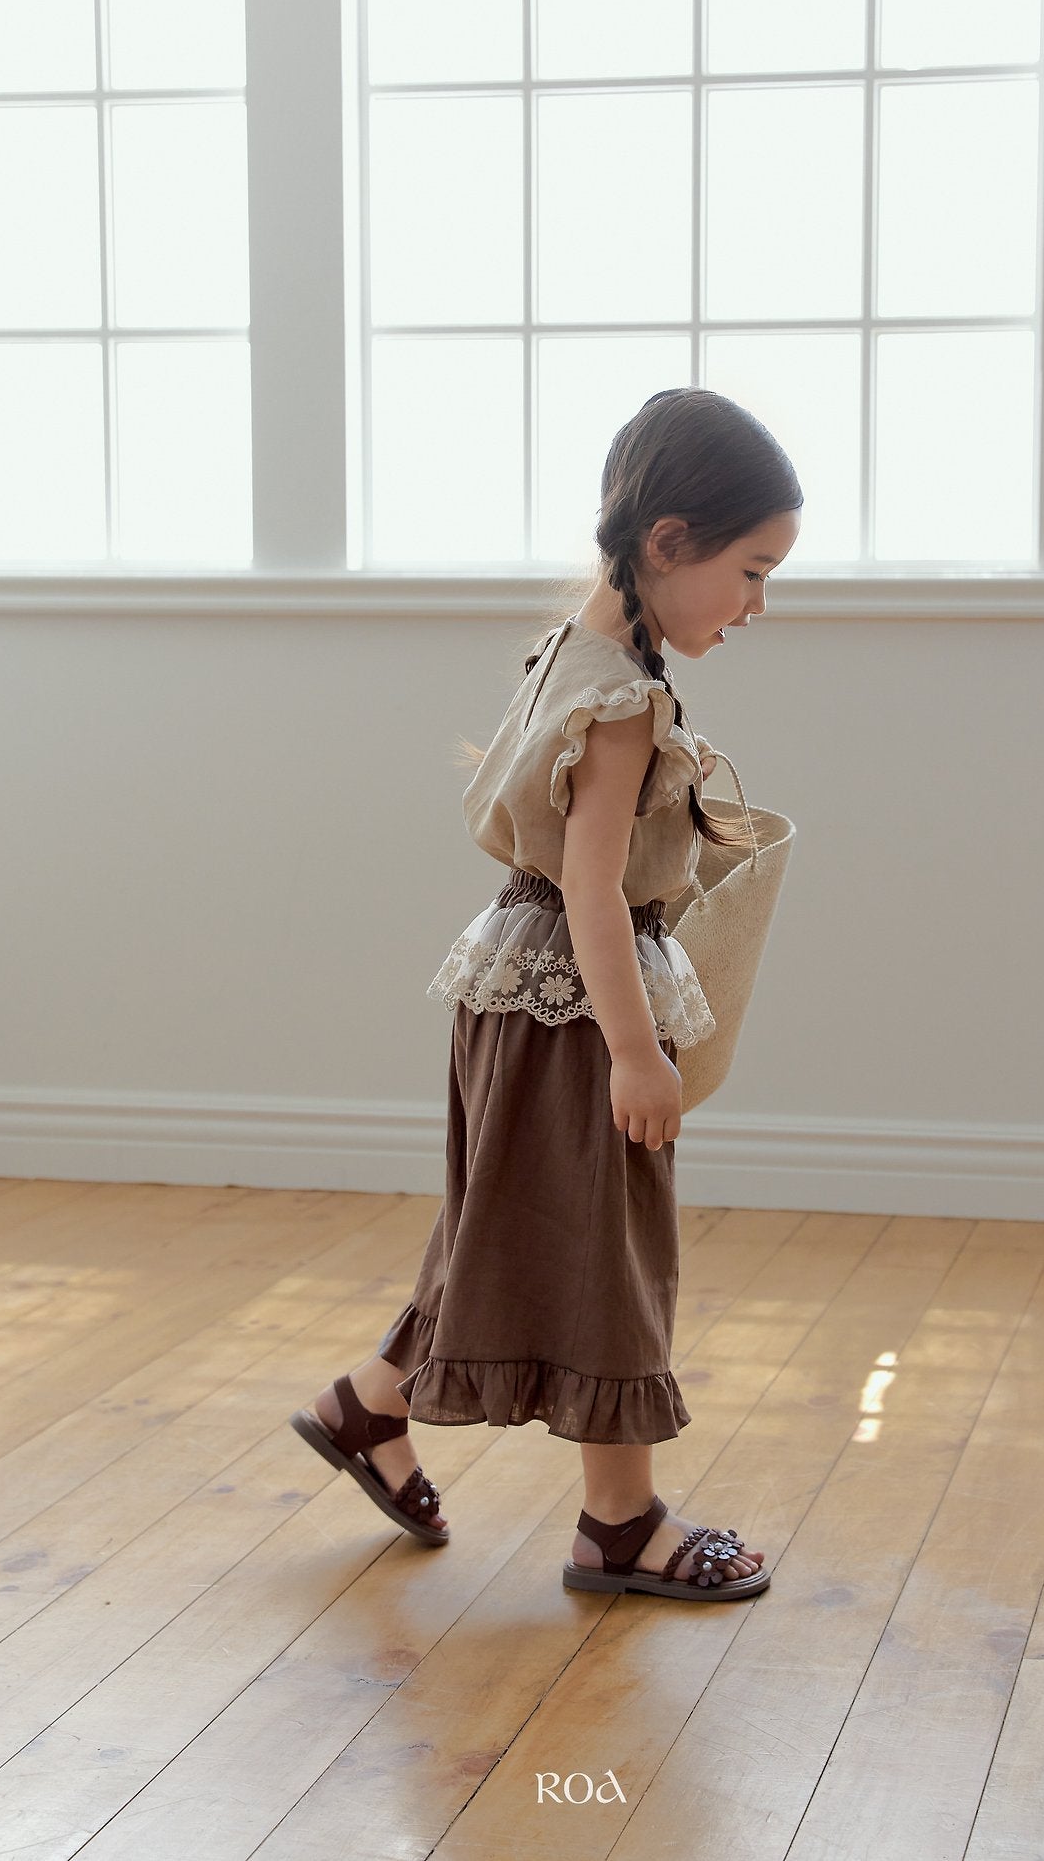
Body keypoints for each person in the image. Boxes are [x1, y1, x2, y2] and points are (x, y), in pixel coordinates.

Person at [291, 387, 803, 1601]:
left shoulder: (570, 650)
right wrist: (634, 1050)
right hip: (575, 1001)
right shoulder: (619, 698)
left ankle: (368, 1405)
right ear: (667, 541)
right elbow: (590, 889)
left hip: (519, 986)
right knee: (608, 1245)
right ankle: (618, 1523)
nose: (756, 605)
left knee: (506, 1221)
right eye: (750, 570)